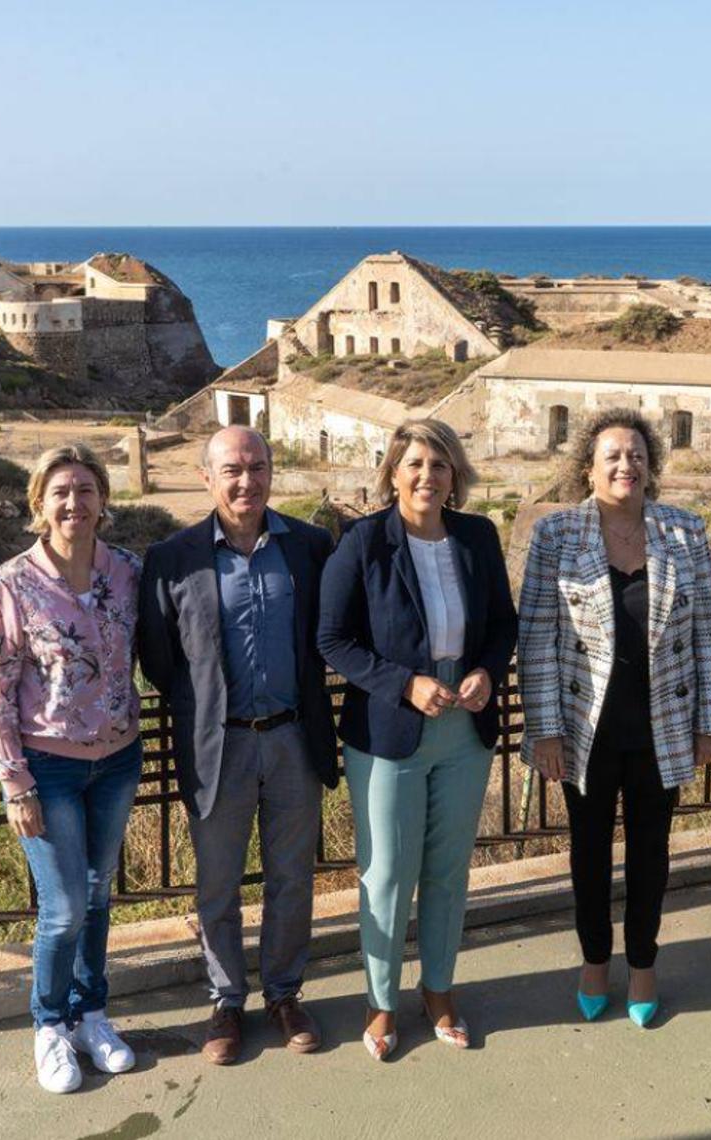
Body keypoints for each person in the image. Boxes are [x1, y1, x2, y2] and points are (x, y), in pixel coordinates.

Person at [519, 408, 711, 1028]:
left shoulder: (685, 533)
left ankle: (642, 965)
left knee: (651, 854)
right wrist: (545, 731)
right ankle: (592, 961)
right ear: (589, 467)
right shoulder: (557, 535)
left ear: (650, 466)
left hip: (661, 727)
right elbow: (537, 640)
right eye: (611, 455)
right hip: (586, 732)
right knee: (588, 853)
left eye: (636, 455)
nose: (624, 465)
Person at [317, 419, 516, 1060]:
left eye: (439, 464)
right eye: (414, 464)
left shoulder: (478, 536)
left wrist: (486, 669)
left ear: (454, 474)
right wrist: (404, 685)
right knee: (385, 876)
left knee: (448, 871)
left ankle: (438, 991)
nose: (427, 475)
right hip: (389, 730)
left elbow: (502, 627)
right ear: (393, 473)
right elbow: (333, 640)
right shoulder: (363, 542)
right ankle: (380, 1003)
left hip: (465, 726)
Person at [138, 426, 338, 1065]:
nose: (245, 480)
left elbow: (327, 638)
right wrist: (206, 708)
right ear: (207, 478)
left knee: (292, 878)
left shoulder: (309, 546)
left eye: (257, 467)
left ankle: (284, 994)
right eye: (232, 469)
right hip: (217, 747)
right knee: (218, 885)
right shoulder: (174, 557)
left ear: (272, 472)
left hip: (292, 741)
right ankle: (227, 1002)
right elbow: (159, 659)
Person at [0, 445, 143, 1093]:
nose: (74, 503)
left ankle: (90, 1015)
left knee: (99, 895)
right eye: (60, 492)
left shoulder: (126, 571)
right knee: (64, 905)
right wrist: (13, 782)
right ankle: (49, 1026)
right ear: (39, 504)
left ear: (103, 499)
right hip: (48, 770)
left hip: (119, 761)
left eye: (85, 490)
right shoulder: (9, 586)